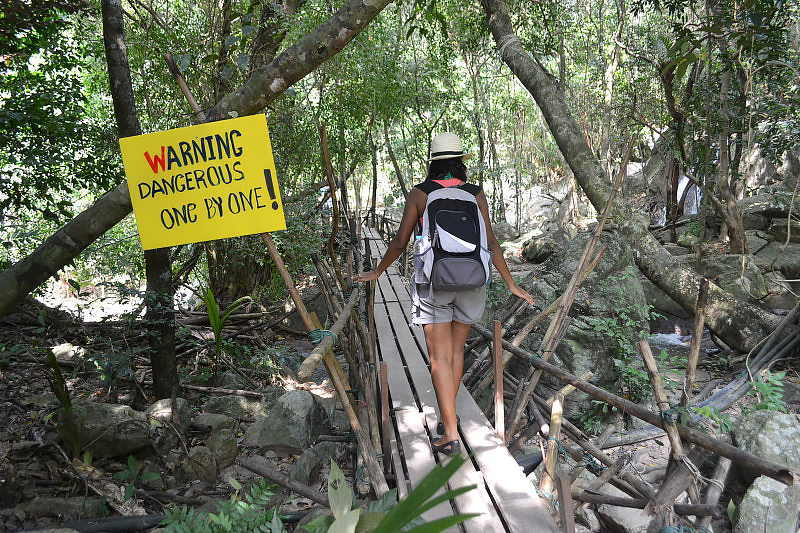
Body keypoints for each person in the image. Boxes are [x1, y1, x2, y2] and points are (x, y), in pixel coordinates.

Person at [353, 132, 534, 456]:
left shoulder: (421, 194)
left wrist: (377, 272)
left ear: (433, 163)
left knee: (438, 358)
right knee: (455, 352)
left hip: (433, 280)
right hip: (473, 280)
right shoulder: (475, 194)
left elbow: (399, 242)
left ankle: (449, 433)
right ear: (459, 163)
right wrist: (510, 283)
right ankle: (448, 418)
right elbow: (492, 243)